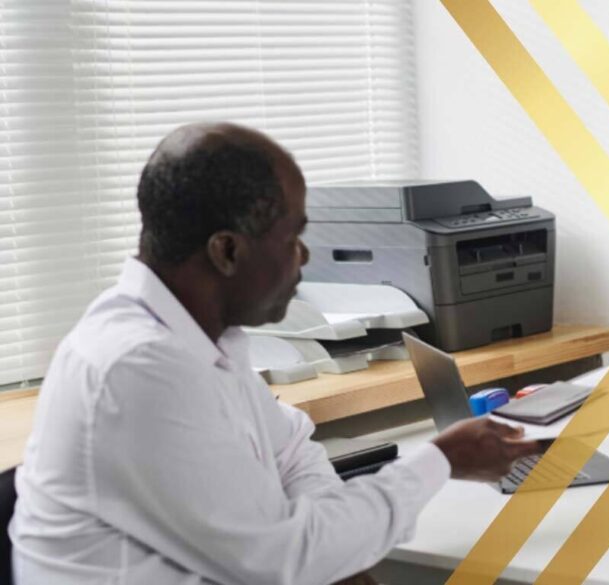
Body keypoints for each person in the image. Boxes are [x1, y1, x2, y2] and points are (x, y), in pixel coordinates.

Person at [9, 123, 544, 584]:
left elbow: (290, 446)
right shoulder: (137, 369)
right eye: (293, 238)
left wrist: (330, 549)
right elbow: (281, 564)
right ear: (227, 251)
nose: (304, 257)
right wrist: (442, 460)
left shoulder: (202, 336)